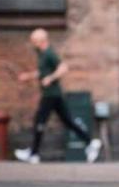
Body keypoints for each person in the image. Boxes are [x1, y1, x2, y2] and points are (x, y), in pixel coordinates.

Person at [14, 29, 102, 164]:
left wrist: (50, 78)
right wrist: (28, 76)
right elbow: (42, 72)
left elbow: (63, 67)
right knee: (67, 121)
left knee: (40, 121)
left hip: (51, 94)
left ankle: (34, 153)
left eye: (34, 41)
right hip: (53, 95)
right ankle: (90, 142)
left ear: (41, 41)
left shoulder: (49, 53)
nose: (32, 43)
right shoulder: (42, 54)